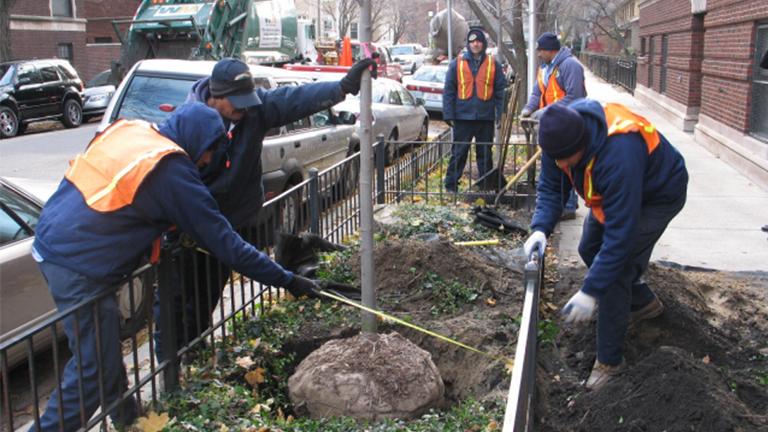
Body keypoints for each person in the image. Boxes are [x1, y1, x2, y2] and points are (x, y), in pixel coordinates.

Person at [30, 103, 321, 431]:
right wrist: (286, 279)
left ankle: (131, 423)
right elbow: (227, 244)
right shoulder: (170, 170)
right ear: (199, 141)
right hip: (79, 264)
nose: (208, 161)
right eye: (211, 151)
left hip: (52, 240)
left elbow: (119, 197)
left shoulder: (132, 131)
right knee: (92, 370)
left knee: (102, 356)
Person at [152, 57, 376, 362]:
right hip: (194, 225)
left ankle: (195, 351)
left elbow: (293, 99)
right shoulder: (191, 123)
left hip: (232, 222)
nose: (244, 110)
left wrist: (342, 87)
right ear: (216, 96)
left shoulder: (252, 111)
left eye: (248, 101)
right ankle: (170, 366)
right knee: (177, 299)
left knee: (207, 296)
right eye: (237, 103)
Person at [523, 100, 688, 390]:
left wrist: (590, 291)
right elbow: (551, 188)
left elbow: (620, 238)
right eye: (556, 159)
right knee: (589, 249)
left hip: (658, 195)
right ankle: (644, 304)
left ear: (582, 144)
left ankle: (610, 363)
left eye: (566, 159)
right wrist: (540, 230)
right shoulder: (558, 140)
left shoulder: (620, 151)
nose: (561, 165)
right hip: (612, 197)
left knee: (615, 273)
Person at [521, 32, 587, 220]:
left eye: (540, 51)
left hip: (568, 123)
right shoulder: (544, 68)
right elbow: (536, 93)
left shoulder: (570, 66)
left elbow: (575, 96)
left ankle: (569, 205)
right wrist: (528, 109)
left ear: (550, 50)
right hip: (552, 124)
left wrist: (545, 112)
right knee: (553, 165)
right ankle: (558, 205)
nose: (539, 54)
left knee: (566, 164)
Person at [442, 27, 507, 192]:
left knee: (485, 153)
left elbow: (500, 91)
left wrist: (500, 113)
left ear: (483, 43)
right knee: (459, 152)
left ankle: (486, 185)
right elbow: (449, 90)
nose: (475, 44)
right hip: (463, 117)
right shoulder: (456, 63)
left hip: (485, 117)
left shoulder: (493, 64)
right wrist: (449, 114)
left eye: (478, 41)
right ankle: (451, 186)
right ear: (468, 44)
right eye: (472, 42)